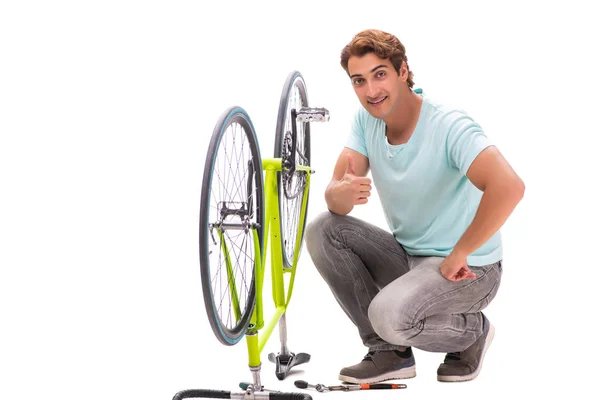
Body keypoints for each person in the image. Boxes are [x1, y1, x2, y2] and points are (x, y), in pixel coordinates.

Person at [304, 29, 525, 384]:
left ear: (402, 71)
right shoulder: (366, 121)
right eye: (359, 81)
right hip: (410, 257)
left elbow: (509, 187)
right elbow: (336, 197)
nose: (371, 91)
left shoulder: (448, 124)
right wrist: (341, 193)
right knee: (323, 230)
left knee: (388, 315)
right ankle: (389, 353)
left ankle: (473, 333)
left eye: (380, 75)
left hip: (470, 269)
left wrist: (462, 251)